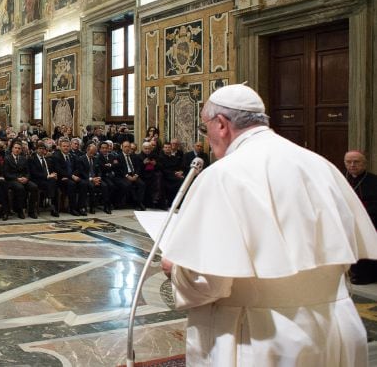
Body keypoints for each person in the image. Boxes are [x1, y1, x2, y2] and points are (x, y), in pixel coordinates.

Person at [160, 84, 377, 366]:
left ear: (222, 124)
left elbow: (207, 282)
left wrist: (175, 268)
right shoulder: (320, 164)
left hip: (261, 336)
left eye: (205, 129)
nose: (208, 137)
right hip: (331, 326)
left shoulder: (224, 175)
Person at [344, 150, 377, 284]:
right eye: (349, 162)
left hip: (370, 221)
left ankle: (367, 276)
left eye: (356, 162)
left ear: (364, 164)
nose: (352, 165)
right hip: (346, 221)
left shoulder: (374, 181)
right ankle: (352, 273)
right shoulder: (341, 179)